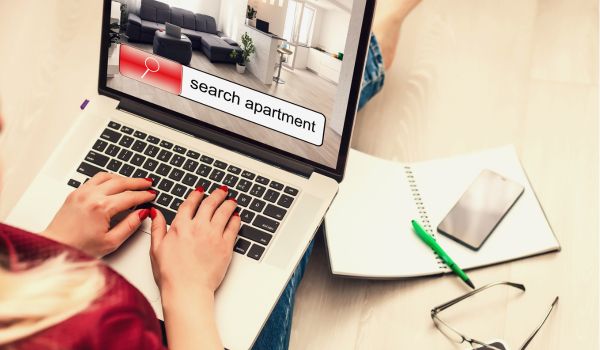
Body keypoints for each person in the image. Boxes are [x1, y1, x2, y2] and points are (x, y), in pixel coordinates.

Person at [0, 1, 421, 348]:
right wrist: (188, 293)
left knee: (286, 169)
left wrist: (50, 249)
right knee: (283, 203)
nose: (2, 121)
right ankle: (378, 38)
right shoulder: (113, 326)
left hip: (57, 282)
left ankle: (375, 40)